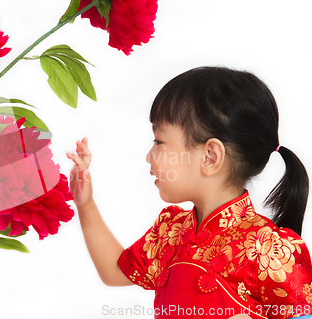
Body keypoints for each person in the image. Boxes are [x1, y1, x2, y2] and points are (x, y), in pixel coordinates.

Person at [67, 67, 312, 319]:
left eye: (159, 141)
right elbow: (114, 271)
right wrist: (85, 205)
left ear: (210, 156)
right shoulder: (170, 233)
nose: (149, 155)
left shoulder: (267, 247)